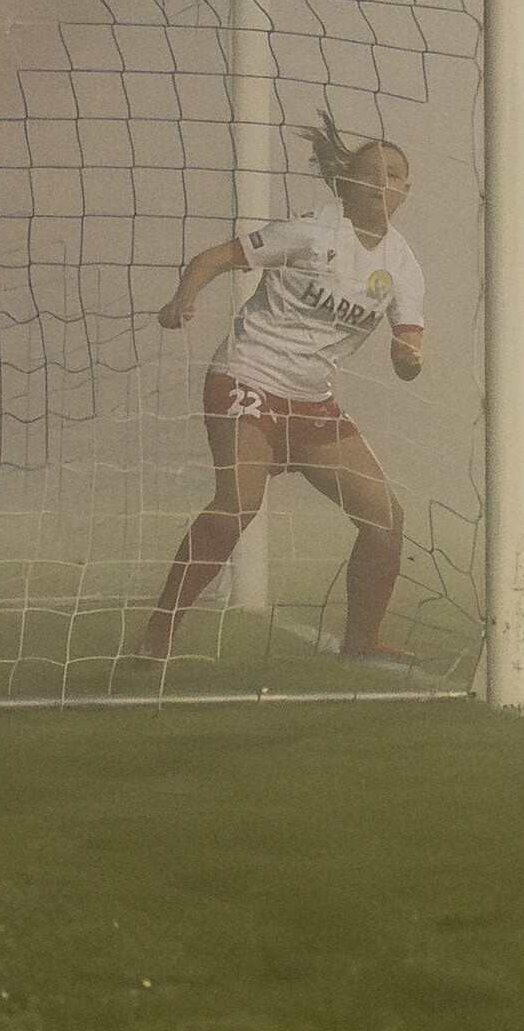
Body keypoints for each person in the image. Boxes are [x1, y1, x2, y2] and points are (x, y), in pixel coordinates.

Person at [139, 114, 424, 663]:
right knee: (239, 503)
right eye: (371, 173)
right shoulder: (311, 233)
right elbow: (216, 257)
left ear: (406, 191)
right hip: (247, 377)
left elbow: (409, 344)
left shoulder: (404, 266)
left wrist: (407, 358)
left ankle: (361, 642)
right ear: (346, 183)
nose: (382, 183)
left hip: (312, 401)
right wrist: (183, 299)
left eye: (394, 175)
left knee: (385, 519)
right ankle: (161, 630)